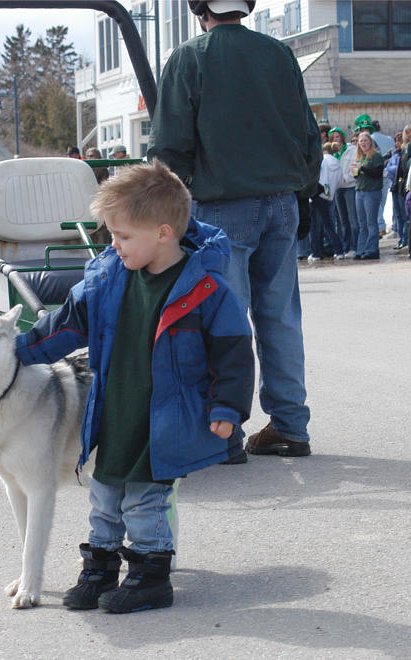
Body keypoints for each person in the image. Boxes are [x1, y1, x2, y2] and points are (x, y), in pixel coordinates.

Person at [15, 160, 254, 613]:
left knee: (145, 501)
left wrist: (227, 409)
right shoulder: (107, 279)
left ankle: (149, 576)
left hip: (164, 420)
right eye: (111, 234)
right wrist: (17, 352)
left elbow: (234, 354)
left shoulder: (208, 289)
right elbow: (64, 327)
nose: (113, 244)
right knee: (104, 495)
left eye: (123, 236)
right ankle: (100, 568)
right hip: (113, 413)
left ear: (163, 233)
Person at [147, 0, 321, 457]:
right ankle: (290, 425)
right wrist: (303, 187)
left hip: (223, 207)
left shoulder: (189, 57)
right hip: (282, 202)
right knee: (280, 317)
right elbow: (308, 132)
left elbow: (169, 145)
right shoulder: (279, 54)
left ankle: (226, 435)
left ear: (200, 11)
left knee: (225, 321)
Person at [308, 142, 344, 263]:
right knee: (330, 225)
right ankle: (339, 251)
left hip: (318, 195)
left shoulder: (323, 160)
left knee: (315, 226)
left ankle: (316, 253)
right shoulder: (337, 162)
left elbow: (319, 177)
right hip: (329, 196)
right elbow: (340, 181)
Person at [352, 131, 384, 260]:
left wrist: (362, 168)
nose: (363, 143)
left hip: (372, 192)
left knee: (371, 222)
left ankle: (372, 249)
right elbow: (357, 175)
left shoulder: (375, 156)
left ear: (370, 142)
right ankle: (361, 249)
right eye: (361, 141)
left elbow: (377, 173)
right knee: (362, 223)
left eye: (365, 141)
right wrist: (355, 171)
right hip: (360, 191)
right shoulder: (359, 157)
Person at [329, 127, 358, 256]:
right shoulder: (332, 153)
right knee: (342, 220)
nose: (336, 139)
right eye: (333, 137)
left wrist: (344, 179)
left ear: (342, 137)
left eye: (338, 136)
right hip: (338, 189)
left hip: (349, 187)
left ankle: (354, 246)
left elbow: (353, 169)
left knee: (352, 219)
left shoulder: (351, 150)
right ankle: (345, 246)